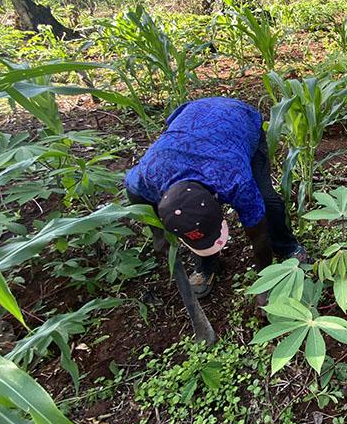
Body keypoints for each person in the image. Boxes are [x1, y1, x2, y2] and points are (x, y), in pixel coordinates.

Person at [125, 97, 307, 298]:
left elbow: (259, 234)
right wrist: (158, 234)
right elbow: (132, 190)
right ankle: (206, 264)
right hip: (190, 118)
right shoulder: (149, 174)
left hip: (238, 119)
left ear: (216, 198)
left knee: (267, 201)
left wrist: (264, 285)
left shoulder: (235, 180)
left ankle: (286, 245)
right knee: (195, 221)